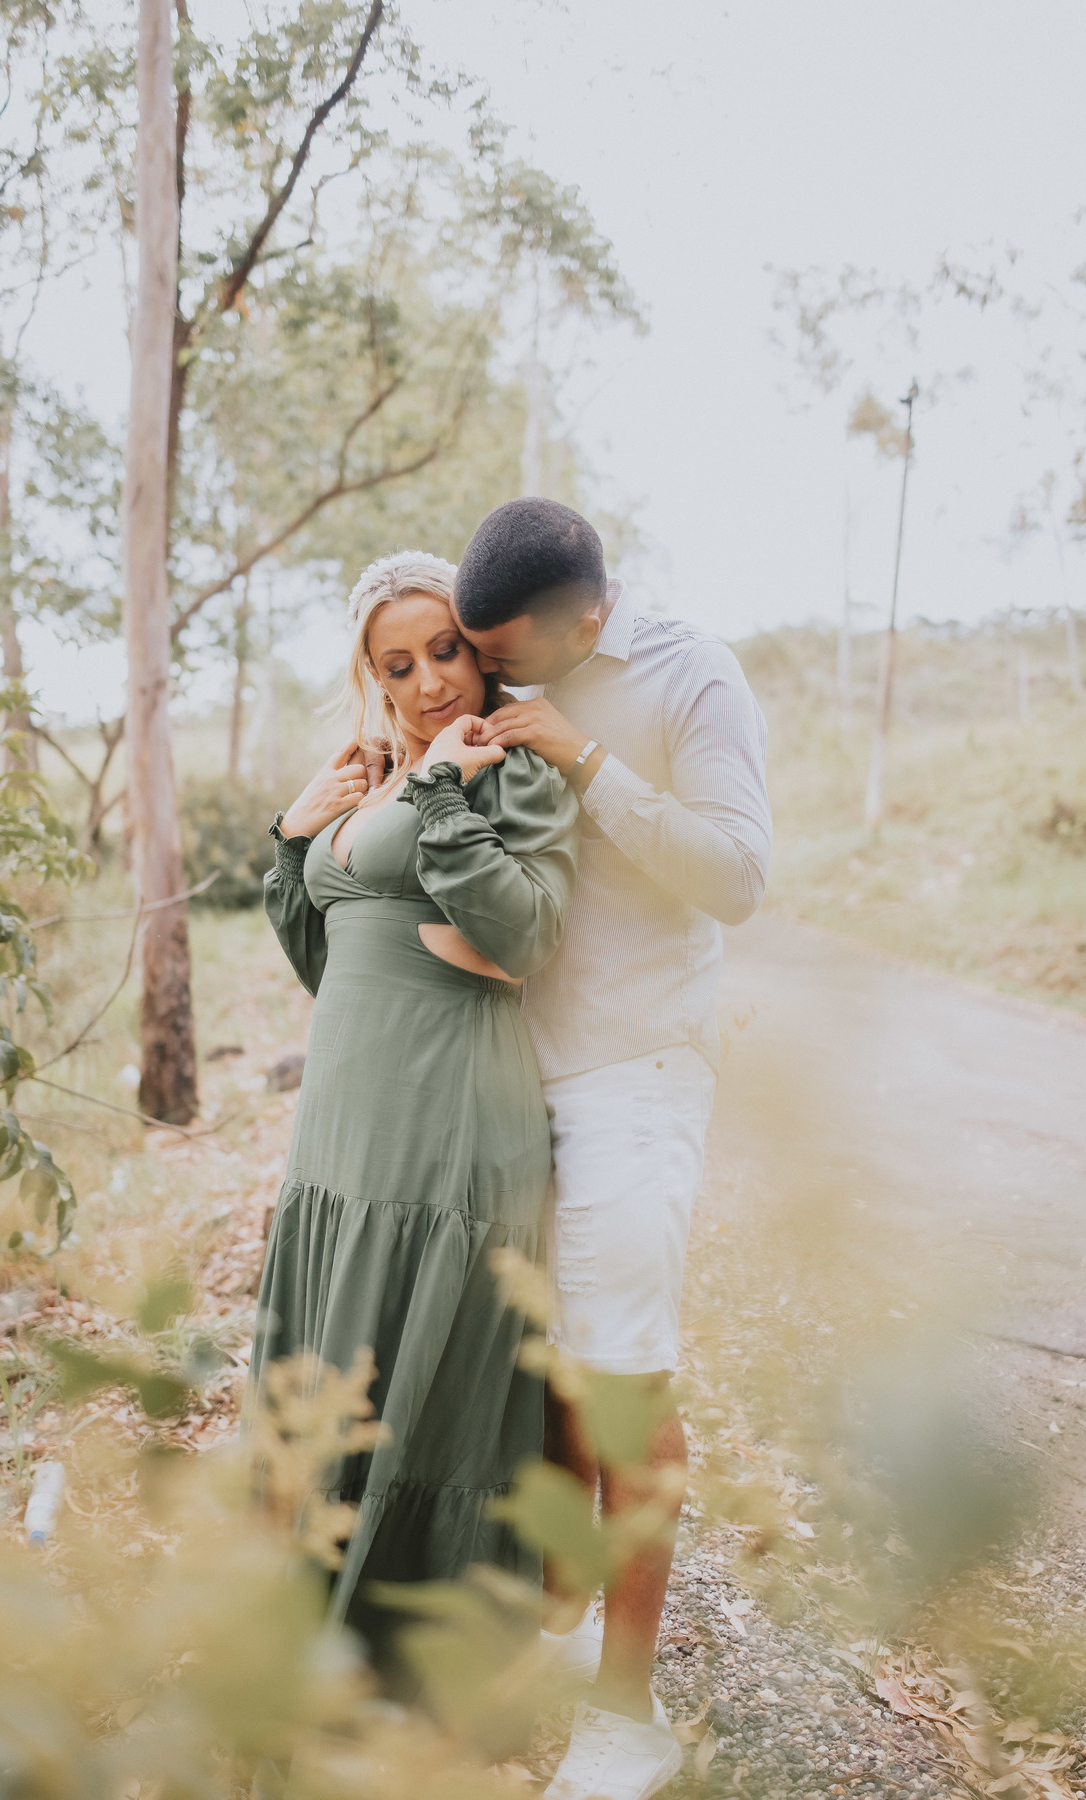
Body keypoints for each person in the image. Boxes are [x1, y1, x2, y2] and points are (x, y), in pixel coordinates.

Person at [454, 498, 772, 1800]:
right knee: (547, 1382)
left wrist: (589, 763)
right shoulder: (515, 675)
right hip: (513, 1085)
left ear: (586, 619)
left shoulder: (695, 678)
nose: (489, 677)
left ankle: (629, 1717)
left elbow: (739, 878)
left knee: (622, 1389)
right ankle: (562, 1626)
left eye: (502, 657)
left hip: (636, 1076)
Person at [250, 551, 579, 1678]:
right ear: (373, 677)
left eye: (445, 651)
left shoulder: (504, 769)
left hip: (449, 1122)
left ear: (478, 648)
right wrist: (295, 842)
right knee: (335, 1365)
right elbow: (327, 963)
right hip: (344, 1126)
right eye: (399, 665)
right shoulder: (370, 771)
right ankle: (307, 1621)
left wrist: (443, 794)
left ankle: (414, 1661)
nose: (431, 681)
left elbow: (526, 935)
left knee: (412, 1380)